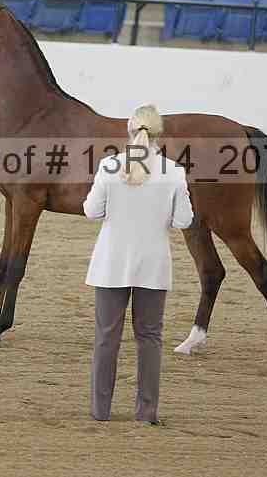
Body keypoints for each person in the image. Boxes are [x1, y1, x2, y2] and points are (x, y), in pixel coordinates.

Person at [83, 104, 194, 425]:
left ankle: (100, 410)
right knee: (150, 338)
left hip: (111, 264)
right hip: (153, 265)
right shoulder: (174, 172)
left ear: (130, 130)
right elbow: (184, 220)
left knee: (106, 337)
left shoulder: (109, 166)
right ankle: (146, 411)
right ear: (160, 135)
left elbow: (92, 211)